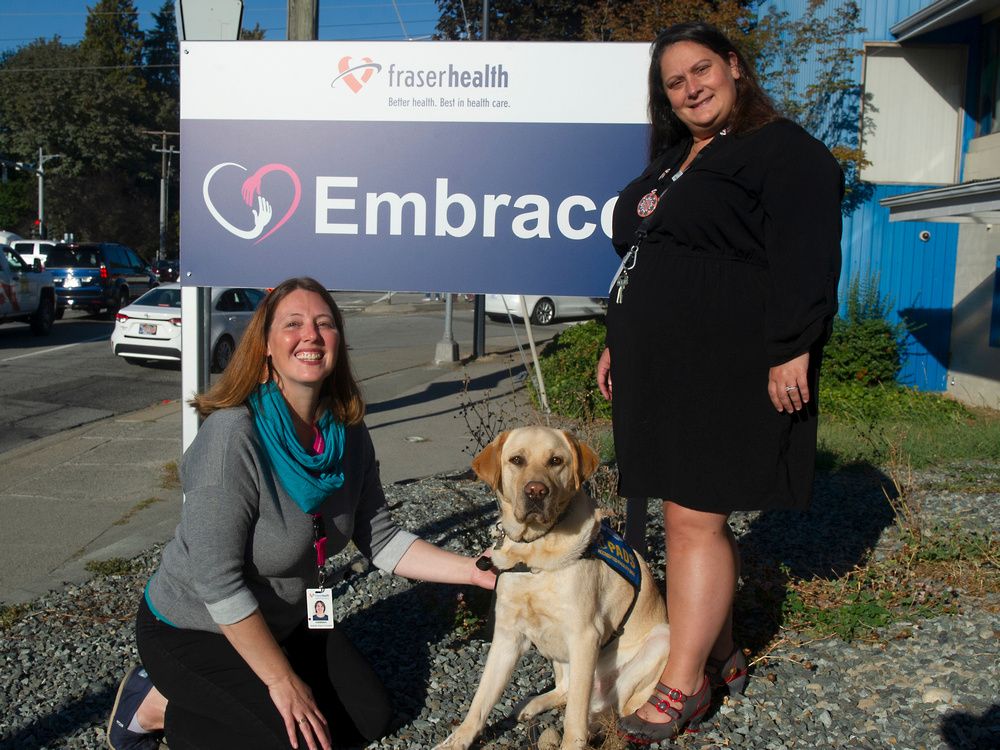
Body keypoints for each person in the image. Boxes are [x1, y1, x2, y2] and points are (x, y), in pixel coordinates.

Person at [107, 277, 496, 750]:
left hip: (288, 621)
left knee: (368, 718)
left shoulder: (347, 433)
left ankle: (201, 704)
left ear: (338, 342)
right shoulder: (234, 437)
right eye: (293, 324)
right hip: (195, 628)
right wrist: (281, 682)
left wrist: (474, 573)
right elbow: (217, 582)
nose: (310, 335)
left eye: (324, 324)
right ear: (266, 346)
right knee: (298, 739)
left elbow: (382, 538)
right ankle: (153, 707)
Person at [596, 22, 842, 744]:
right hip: (661, 363)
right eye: (674, 83)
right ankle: (726, 652)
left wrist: (793, 347)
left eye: (701, 69)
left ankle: (685, 684)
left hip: (726, 360)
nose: (691, 88)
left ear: (734, 67)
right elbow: (644, 255)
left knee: (692, 518)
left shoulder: (780, 149)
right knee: (688, 510)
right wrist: (620, 339)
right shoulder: (677, 159)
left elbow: (807, 250)